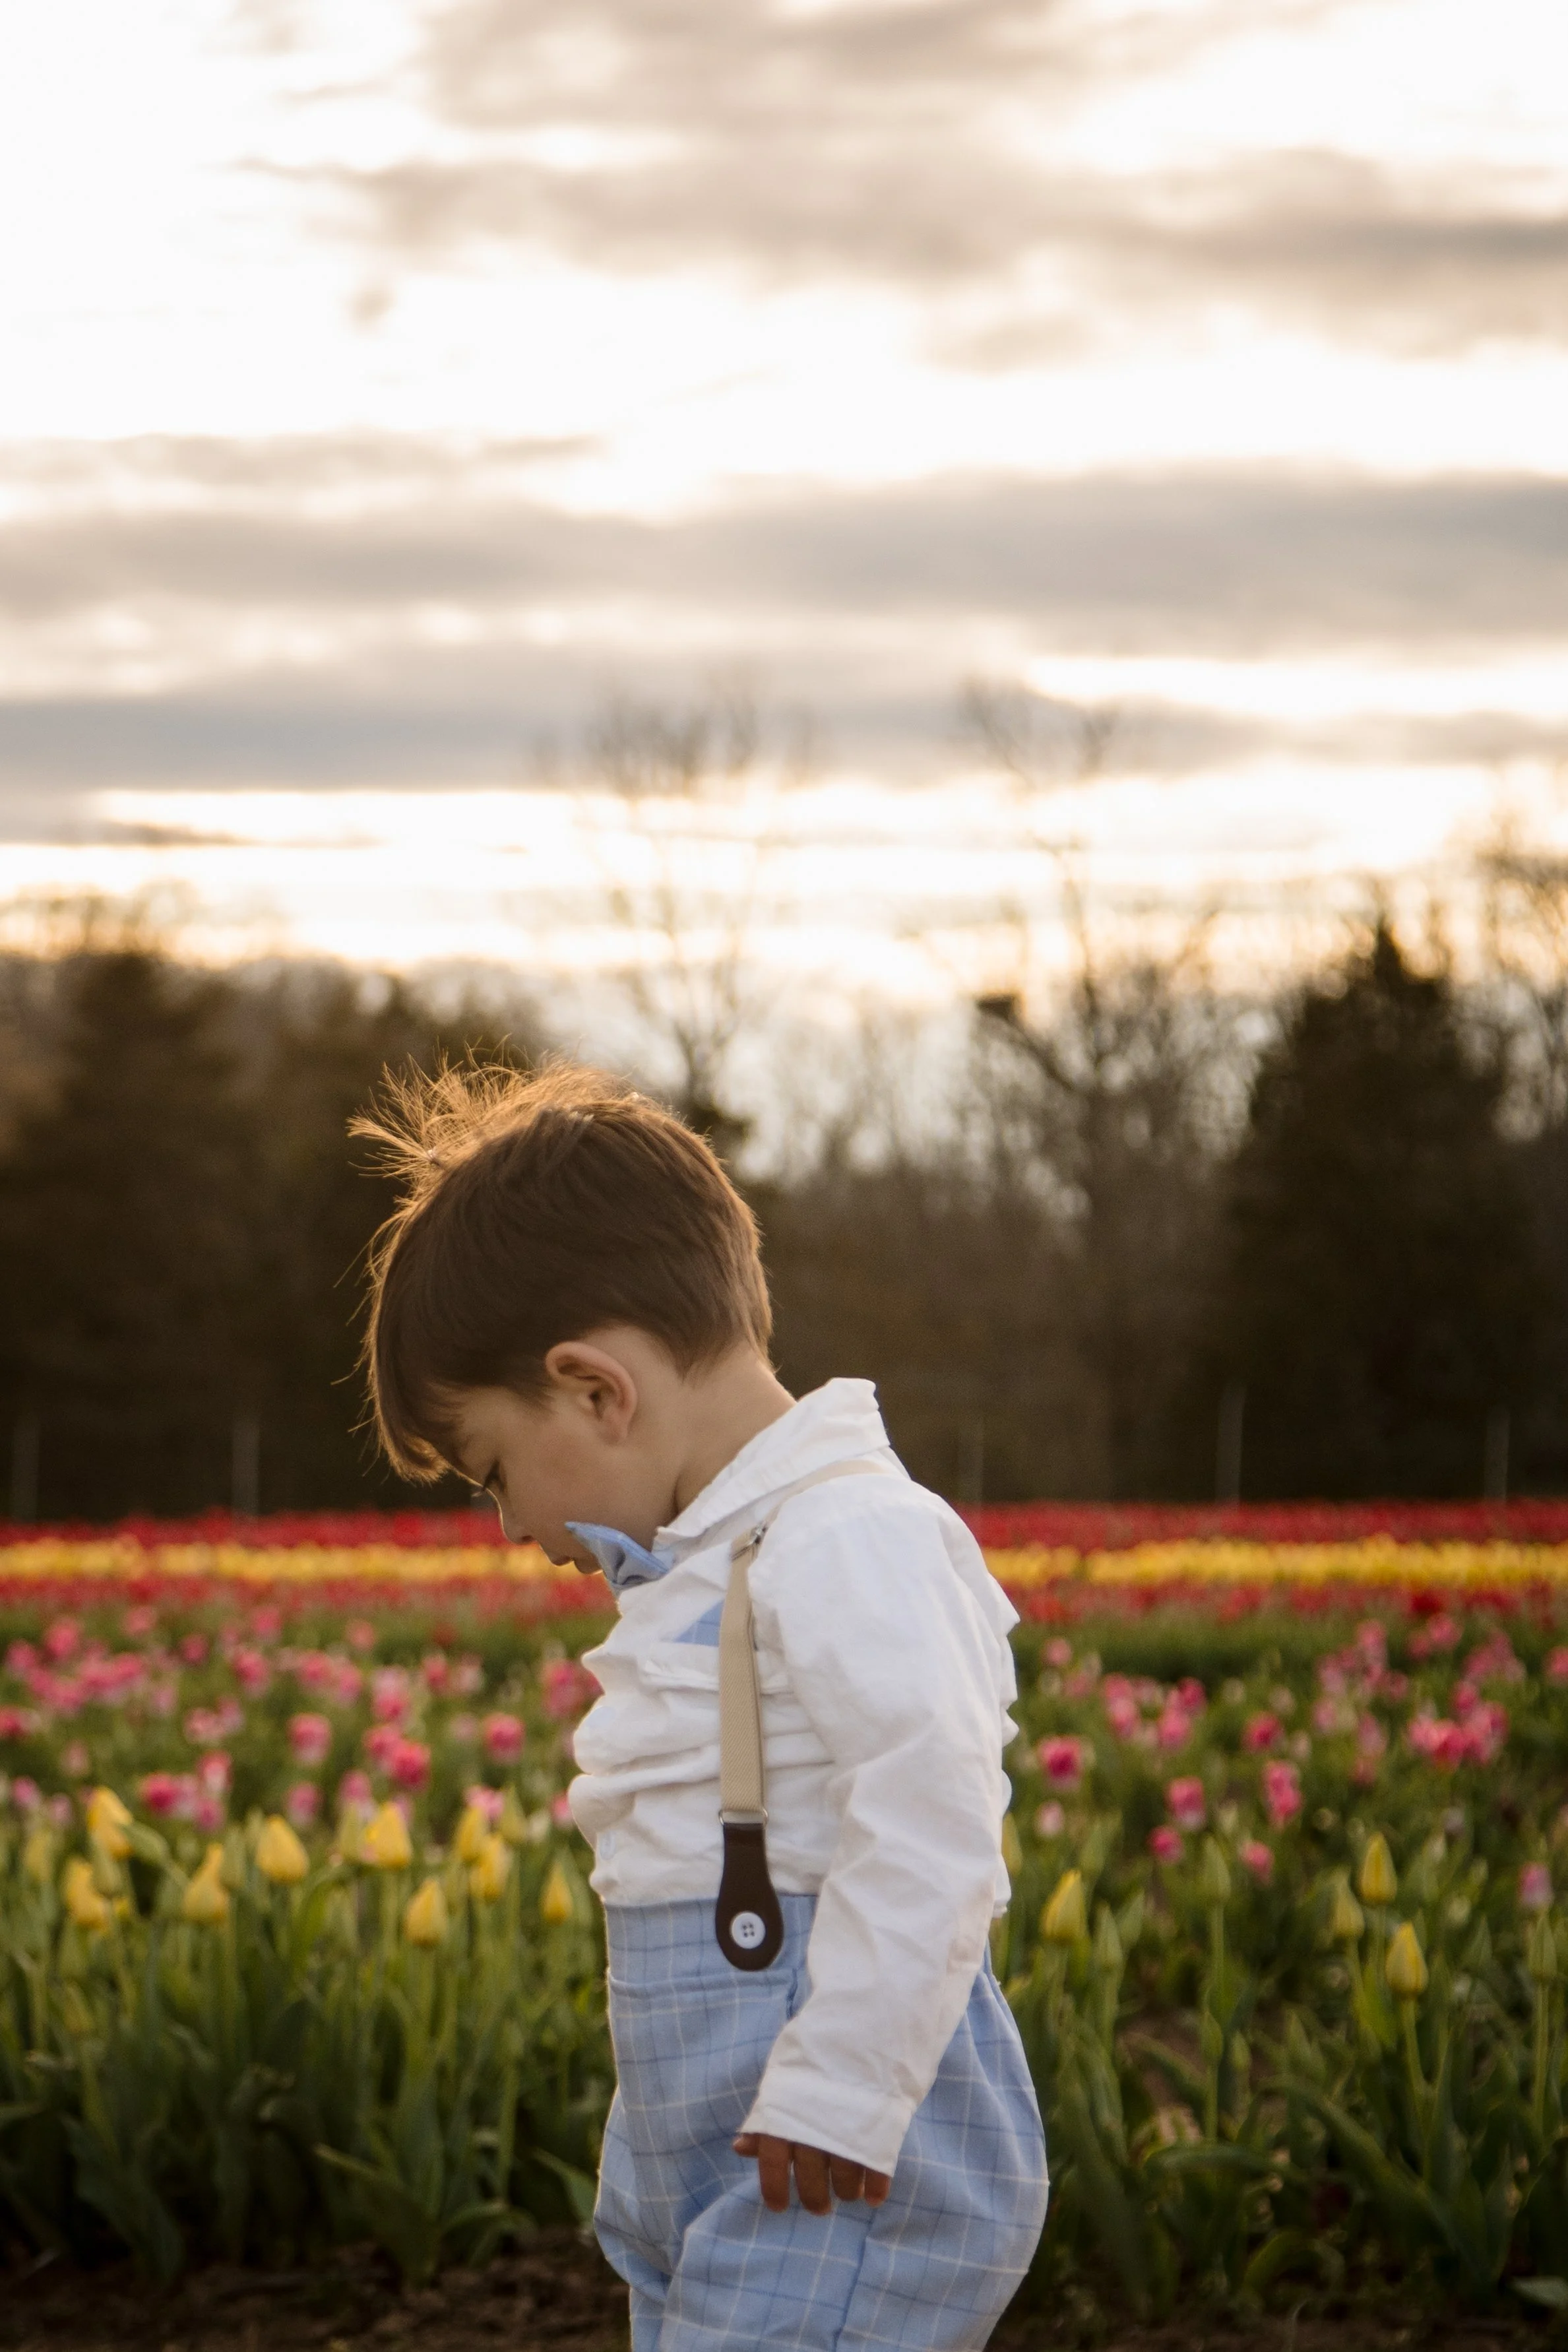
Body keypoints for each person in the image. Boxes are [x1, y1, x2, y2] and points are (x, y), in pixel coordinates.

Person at [357, 1060, 1049, 2351]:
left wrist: (844, 2089)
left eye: (495, 1472)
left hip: (836, 2157)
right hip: (727, 2155)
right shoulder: (707, 1564)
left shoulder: (847, 1534)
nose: (510, 1526)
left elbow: (935, 1813)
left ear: (597, 1391)